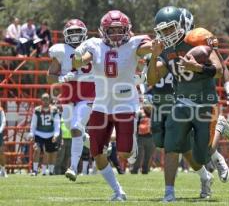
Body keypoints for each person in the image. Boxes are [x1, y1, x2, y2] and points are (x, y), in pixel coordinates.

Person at [148, 6, 229, 201]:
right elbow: (152, 79)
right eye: (163, 31)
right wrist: (154, 56)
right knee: (170, 146)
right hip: (182, 102)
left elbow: (220, 70)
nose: (166, 34)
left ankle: (219, 126)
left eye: (170, 29)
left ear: (183, 24)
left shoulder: (198, 38)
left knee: (202, 157)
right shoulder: (165, 48)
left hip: (206, 102)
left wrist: (196, 67)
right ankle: (169, 193)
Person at [72, 10, 152, 201]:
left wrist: (154, 47)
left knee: (124, 153)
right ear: (103, 31)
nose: (116, 34)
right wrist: (76, 59)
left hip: (125, 104)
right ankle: (118, 191)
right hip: (101, 104)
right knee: (96, 153)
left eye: (119, 29)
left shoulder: (133, 43)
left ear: (127, 30)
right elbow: (81, 61)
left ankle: (132, 147)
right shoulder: (95, 45)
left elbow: (146, 47)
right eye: (112, 30)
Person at [47, 19, 95, 181]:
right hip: (68, 95)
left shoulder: (92, 46)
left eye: (77, 32)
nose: (75, 36)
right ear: (66, 35)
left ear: (84, 33)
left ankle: (73, 167)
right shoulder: (60, 51)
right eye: (71, 32)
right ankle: (97, 145)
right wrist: (62, 79)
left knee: (75, 127)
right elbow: (50, 78)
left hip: (89, 93)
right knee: (70, 126)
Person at [28, 93, 60, 176]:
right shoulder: (37, 110)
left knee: (52, 153)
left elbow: (57, 124)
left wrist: (56, 135)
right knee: (36, 150)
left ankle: (51, 171)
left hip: (50, 134)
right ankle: (34, 170)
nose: (45, 101)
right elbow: (33, 124)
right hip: (39, 133)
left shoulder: (54, 110)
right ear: (41, 100)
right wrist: (32, 134)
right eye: (44, 99)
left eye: (47, 99)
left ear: (49, 100)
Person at [130, 105, 155, 174]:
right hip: (141, 137)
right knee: (139, 155)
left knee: (147, 155)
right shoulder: (140, 114)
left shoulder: (153, 115)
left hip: (149, 137)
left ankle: (144, 170)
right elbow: (135, 124)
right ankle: (135, 170)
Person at [0, 105, 7, 177]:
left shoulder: (1, 110)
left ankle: (3, 170)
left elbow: (3, 122)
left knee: (1, 152)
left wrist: (0, 131)